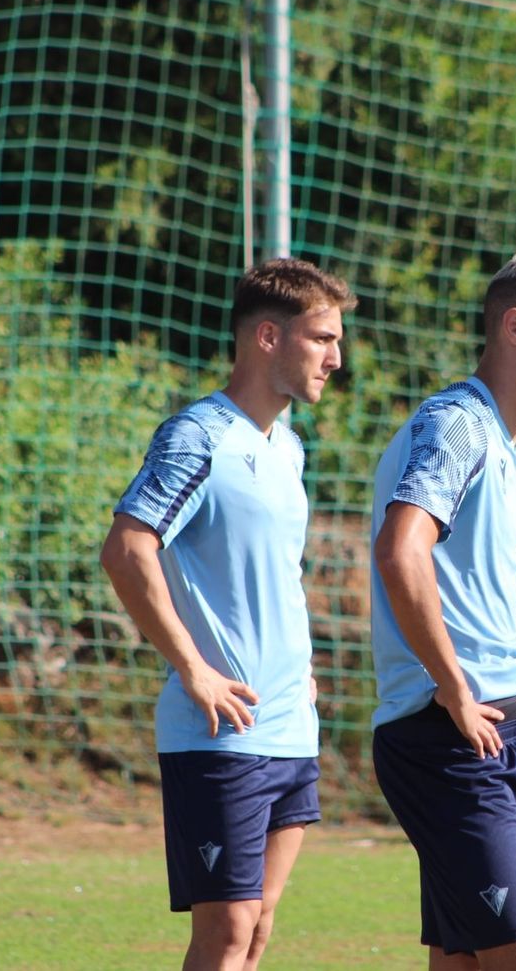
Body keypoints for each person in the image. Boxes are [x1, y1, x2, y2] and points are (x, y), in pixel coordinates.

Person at [100, 259, 356, 971]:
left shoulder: (290, 448)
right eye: (323, 339)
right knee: (227, 931)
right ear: (268, 336)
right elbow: (127, 548)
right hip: (219, 733)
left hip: (289, 726)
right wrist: (195, 670)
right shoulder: (198, 435)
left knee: (259, 927)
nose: (337, 359)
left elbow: (278, 573)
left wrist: (302, 669)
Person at [369, 251, 516, 971]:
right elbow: (401, 550)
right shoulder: (457, 425)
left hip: (504, 731)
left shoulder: (513, 448)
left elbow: (475, 582)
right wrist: (455, 684)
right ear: (515, 326)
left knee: (463, 961)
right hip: (449, 739)